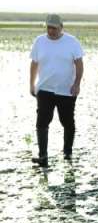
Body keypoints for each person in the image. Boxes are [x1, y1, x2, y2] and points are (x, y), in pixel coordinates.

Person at [29, 14, 84, 166]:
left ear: (61, 27)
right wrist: (32, 84)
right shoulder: (39, 41)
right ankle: (43, 156)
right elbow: (34, 63)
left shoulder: (72, 42)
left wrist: (77, 84)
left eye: (54, 28)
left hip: (66, 90)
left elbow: (79, 64)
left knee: (67, 121)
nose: (51, 31)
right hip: (45, 89)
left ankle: (67, 152)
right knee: (42, 122)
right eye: (48, 27)